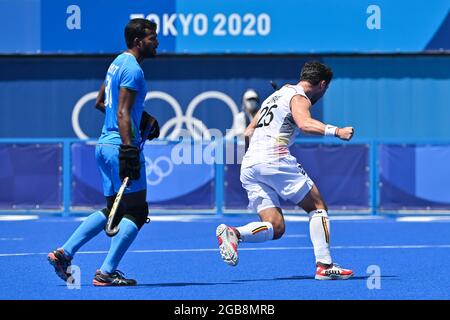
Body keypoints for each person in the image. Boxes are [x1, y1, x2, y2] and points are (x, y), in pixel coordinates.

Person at [216, 61, 355, 280]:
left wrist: (257, 157)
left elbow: (249, 131)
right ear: (321, 84)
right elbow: (305, 124)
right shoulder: (299, 97)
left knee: (276, 226)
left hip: (250, 163)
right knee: (317, 206)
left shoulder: (274, 96)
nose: (323, 94)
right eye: (325, 89)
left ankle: (234, 233)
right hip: (274, 157)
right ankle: (325, 265)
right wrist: (337, 131)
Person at [48, 18, 159, 286]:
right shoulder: (133, 70)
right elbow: (120, 111)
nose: (156, 42)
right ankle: (107, 272)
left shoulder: (116, 63)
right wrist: (130, 148)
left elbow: (101, 103)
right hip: (120, 146)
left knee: (114, 209)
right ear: (137, 41)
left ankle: (65, 253)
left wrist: (140, 119)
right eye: (152, 38)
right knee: (138, 211)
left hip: (104, 146)